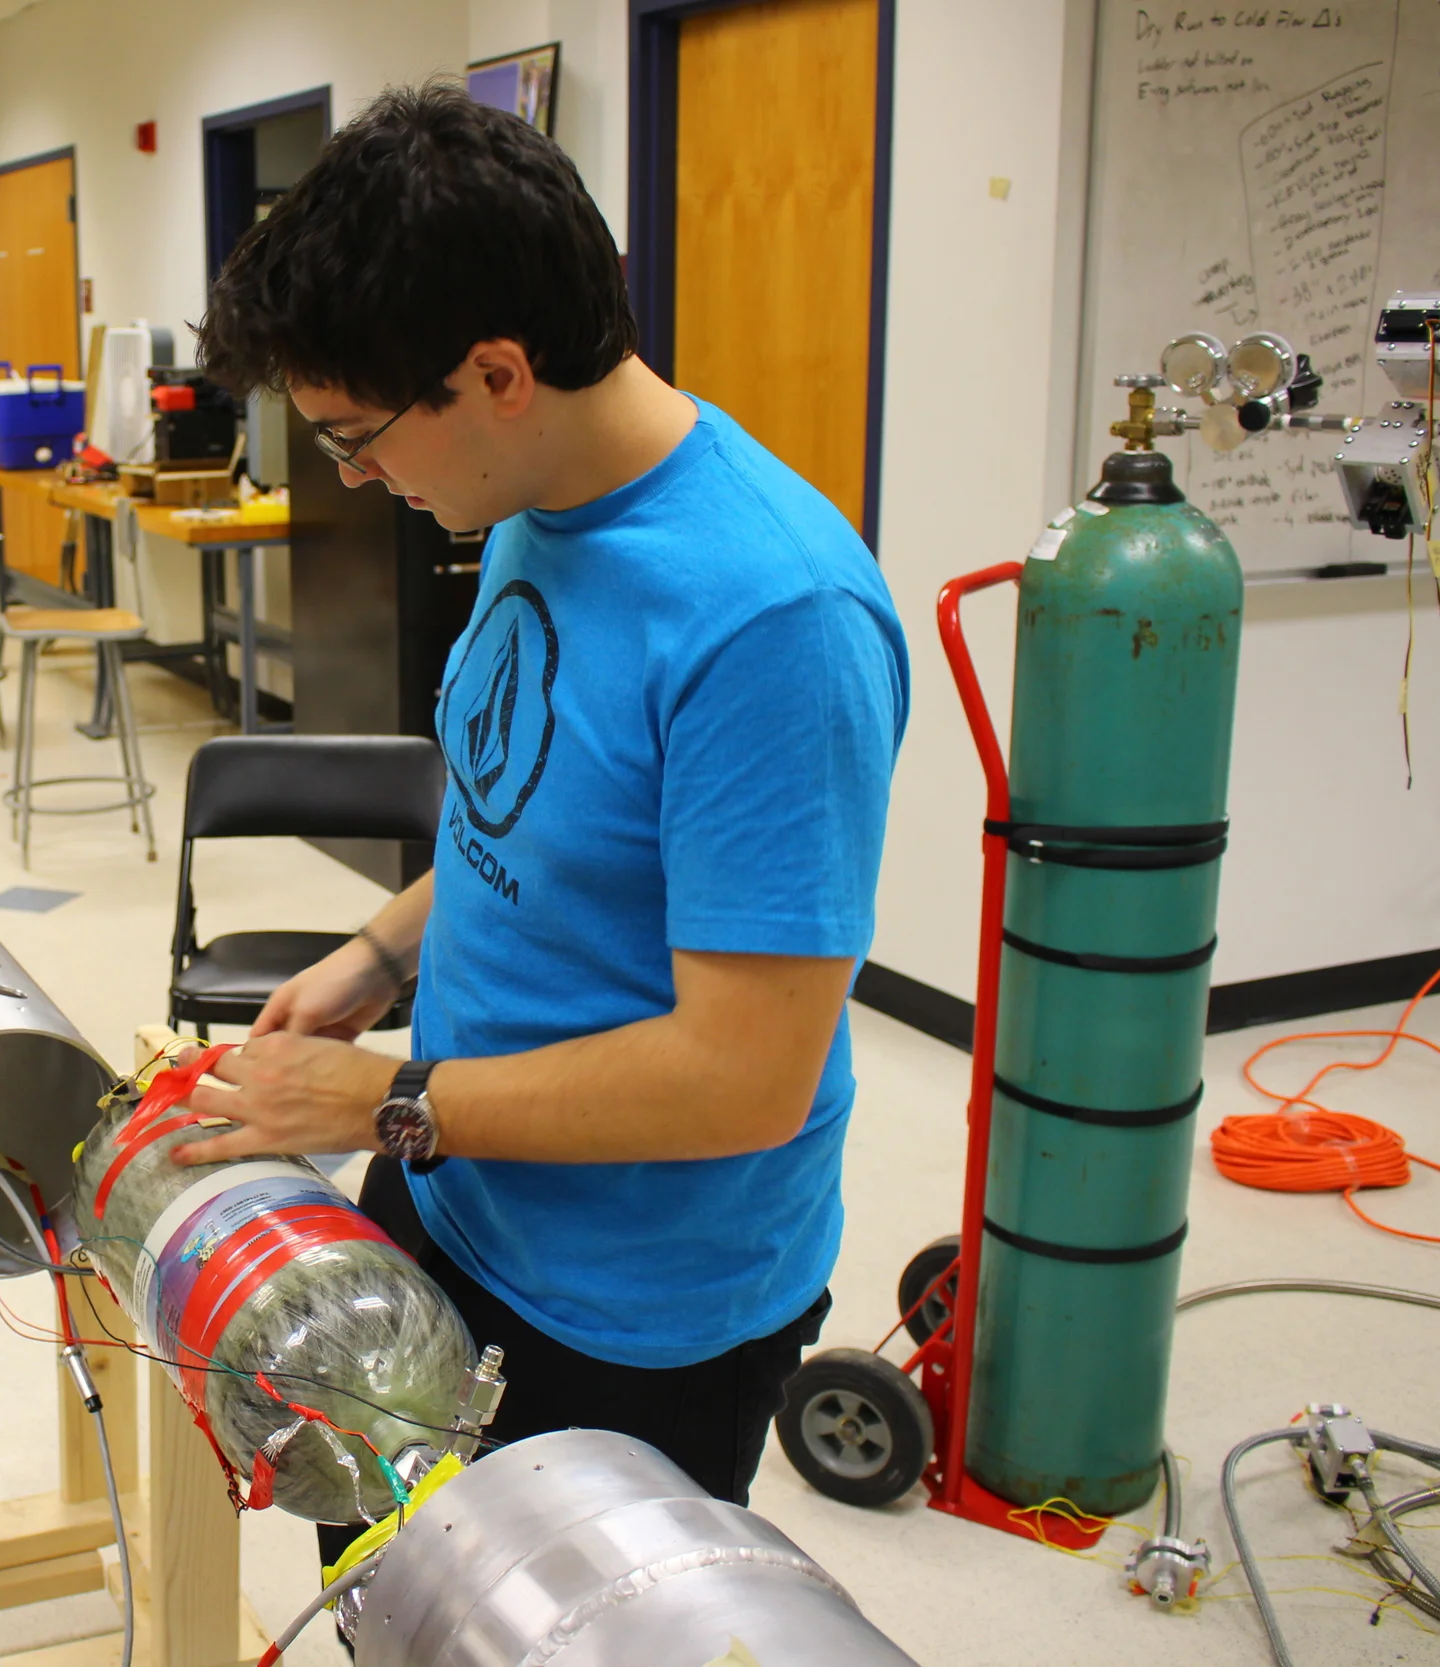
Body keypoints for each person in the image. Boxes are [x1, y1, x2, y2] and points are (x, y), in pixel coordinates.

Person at [180, 81, 911, 1540]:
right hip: (458, 1204)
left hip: (635, 1310)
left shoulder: (773, 616)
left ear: (498, 373)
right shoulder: (527, 503)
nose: (357, 473)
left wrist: (383, 1103)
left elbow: (745, 1073)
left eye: (356, 433)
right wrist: (375, 962)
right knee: (388, 1582)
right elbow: (526, 825)